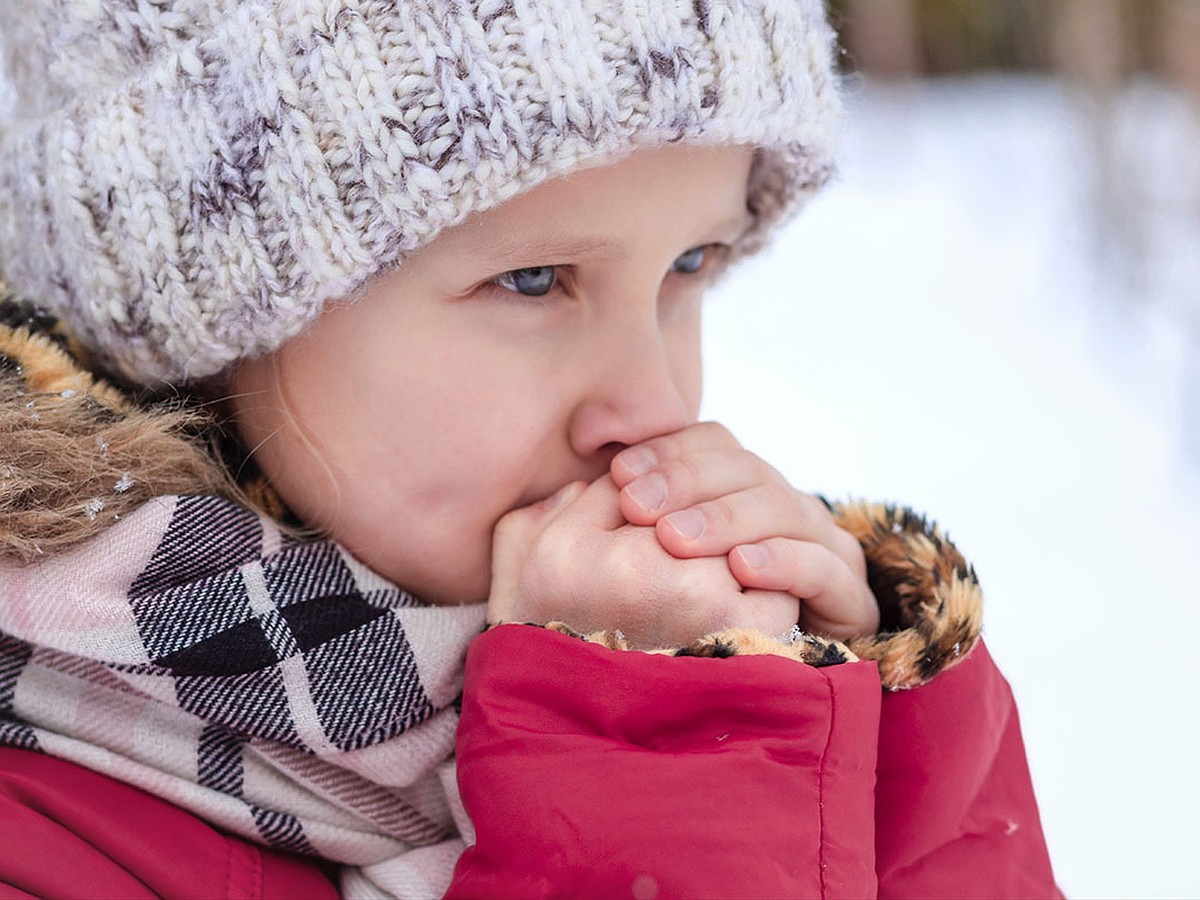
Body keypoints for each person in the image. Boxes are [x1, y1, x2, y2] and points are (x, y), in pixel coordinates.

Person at [0, 1, 1059, 897]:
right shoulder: (40, 823)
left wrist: (863, 747)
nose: (652, 406)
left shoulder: (723, 635)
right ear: (211, 307)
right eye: (533, 280)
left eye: (691, 262)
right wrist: (651, 765)